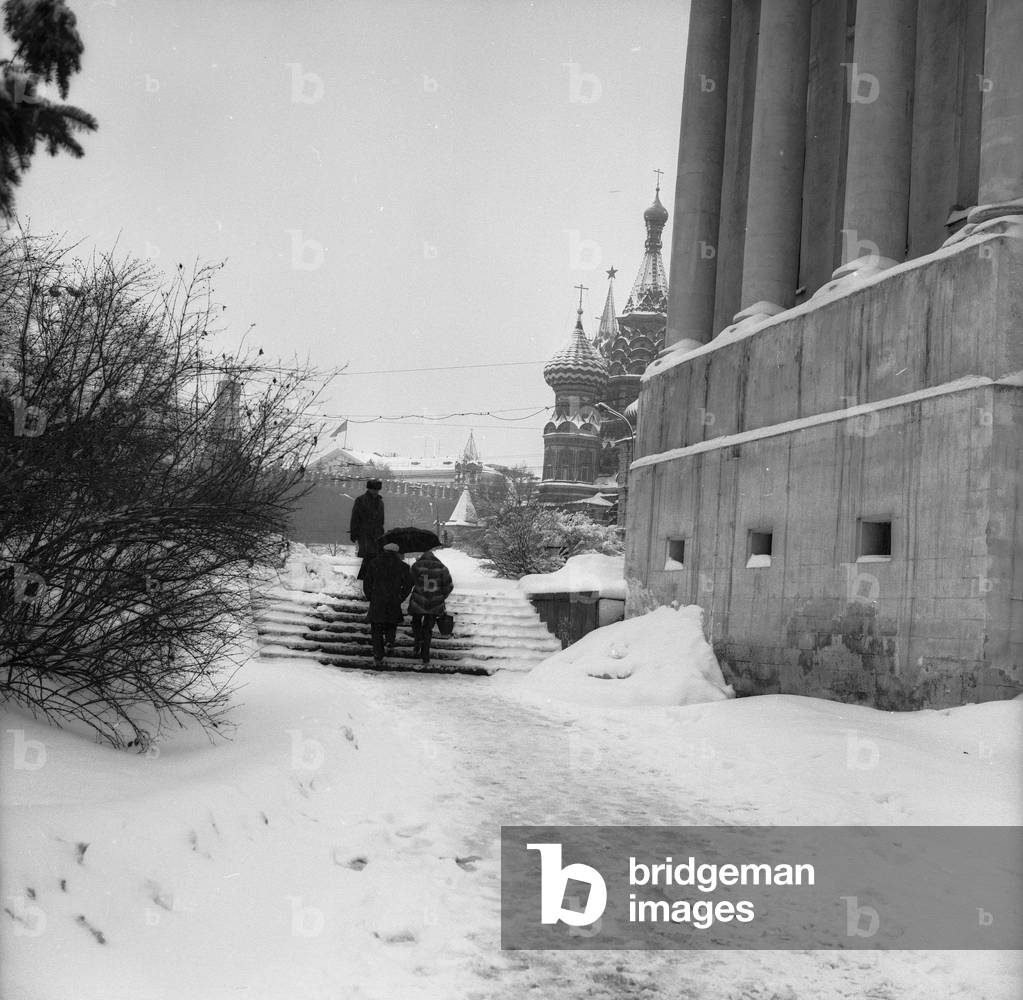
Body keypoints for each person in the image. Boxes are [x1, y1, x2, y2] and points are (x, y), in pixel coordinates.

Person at [362, 542, 413, 666]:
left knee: (376, 628)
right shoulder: (403, 566)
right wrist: (400, 597)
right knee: (391, 622)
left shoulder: (374, 563)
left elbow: (367, 583)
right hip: (393, 599)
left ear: (384, 550)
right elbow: (408, 584)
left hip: (377, 600)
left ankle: (378, 654)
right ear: (396, 552)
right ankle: (390, 639)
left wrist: (371, 596)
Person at [408, 545, 453, 665]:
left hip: (419, 601)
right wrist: (441, 597)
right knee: (428, 628)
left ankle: (418, 638)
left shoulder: (417, 566)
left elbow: (409, 581)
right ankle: (425, 656)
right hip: (434, 603)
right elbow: (449, 586)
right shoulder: (442, 568)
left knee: (416, 621)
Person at [349, 478, 385, 580]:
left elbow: (381, 521)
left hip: (377, 535)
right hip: (364, 533)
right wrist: (354, 532)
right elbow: (355, 517)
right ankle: (363, 579)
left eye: (377, 489)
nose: (375, 492)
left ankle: (368, 578)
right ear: (369, 489)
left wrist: (382, 534)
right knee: (367, 556)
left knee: (374, 557)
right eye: (373, 489)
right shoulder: (361, 500)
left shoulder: (380, 503)